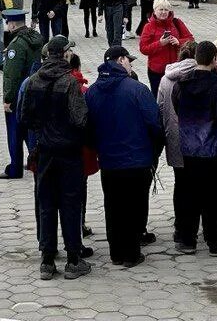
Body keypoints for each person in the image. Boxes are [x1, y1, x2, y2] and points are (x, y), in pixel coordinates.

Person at [18, 35, 92, 280]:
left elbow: (24, 118)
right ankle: (73, 260)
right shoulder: (70, 83)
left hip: (45, 151)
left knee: (46, 205)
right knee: (70, 205)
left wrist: (42, 130)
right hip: (69, 152)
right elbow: (81, 119)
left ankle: (47, 261)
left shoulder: (33, 81)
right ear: (64, 54)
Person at [85, 45, 162, 267]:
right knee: (134, 206)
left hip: (109, 160)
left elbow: (87, 127)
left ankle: (116, 252)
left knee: (113, 205)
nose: (131, 64)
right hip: (136, 160)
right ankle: (131, 254)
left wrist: (99, 147)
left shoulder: (92, 91)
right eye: (129, 60)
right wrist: (153, 149)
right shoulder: (137, 89)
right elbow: (155, 123)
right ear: (120, 60)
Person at [173, 40, 217, 256]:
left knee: (189, 195)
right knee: (214, 197)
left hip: (188, 147)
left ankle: (188, 240)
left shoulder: (181, 84)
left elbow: (177, 108)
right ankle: (214, 242)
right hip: (214, 148)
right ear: (215, 59)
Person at [157, 40, 198, 245]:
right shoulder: (198, 74)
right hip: (197, 139)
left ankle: (180, 228)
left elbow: (160, 108)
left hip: (173, 137)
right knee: (195, 184)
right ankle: (192, 228)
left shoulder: (166, 78)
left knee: (180, 184)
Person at [0, 8, 43, 178]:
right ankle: (36, 161)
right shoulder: (35, 38)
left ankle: (15, 168)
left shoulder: (16, 45)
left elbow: (11, 75)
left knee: (15, 132)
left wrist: (8, 99)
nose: (7, 26)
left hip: (18, 95)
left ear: (13, 23)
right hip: (33, 91)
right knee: (28, 131)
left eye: (7, 22)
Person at [138, 0, 193, 96]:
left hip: (176, 68)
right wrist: (160, 43)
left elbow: (190, 39)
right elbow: (143, 48)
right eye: (161, 9)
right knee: (158, 97)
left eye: (166, 10)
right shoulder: (148, 26)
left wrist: (179, 42)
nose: (164, 12)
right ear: (155, 11)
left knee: (176, 96)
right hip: (156, 71)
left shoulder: (177, 22)